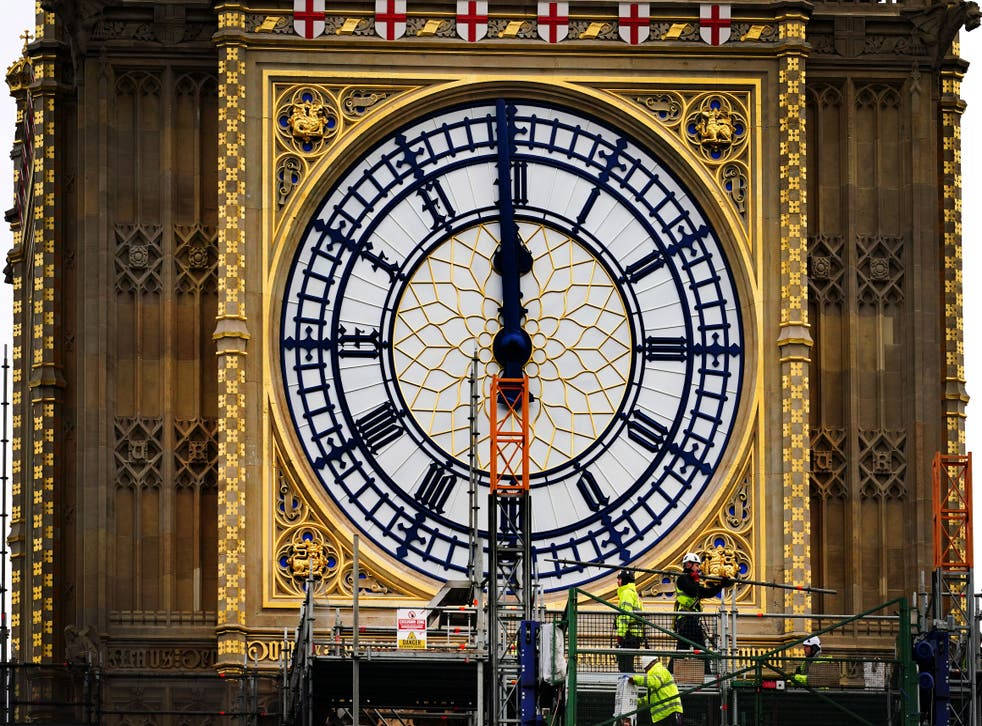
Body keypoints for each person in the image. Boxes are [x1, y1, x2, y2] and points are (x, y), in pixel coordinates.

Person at [674, 552, 731, 665]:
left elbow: (706, 593)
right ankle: (706, 672)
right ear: (689, 565)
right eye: (696, 565)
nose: (699, 568)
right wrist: (695, 580)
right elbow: (692, 591)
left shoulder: (691, 580)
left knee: (682, 649)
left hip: (691, 619)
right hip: (686, 619)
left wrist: (721, 585)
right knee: (699, 648)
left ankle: (673, 670)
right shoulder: (682, 579)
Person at [620, 655, 683, 726]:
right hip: (663, 715)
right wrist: (633, 702)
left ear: (650, 665)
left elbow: (654, 682)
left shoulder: (659, 670)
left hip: (669, 713)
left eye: (646, 669)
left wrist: (635, 679)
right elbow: (648, 700)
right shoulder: (656, 674)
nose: (646, 672)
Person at [615, 569, 645, 673]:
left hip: (628, 635)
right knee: (627, 664)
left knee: (625, 666)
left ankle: (630, 686)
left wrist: (620, 634)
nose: (617, 581)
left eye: (619, 579)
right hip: (634, 635)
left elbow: (625, 616)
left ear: (624, 580)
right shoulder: (633, 593)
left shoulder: (626, 593)